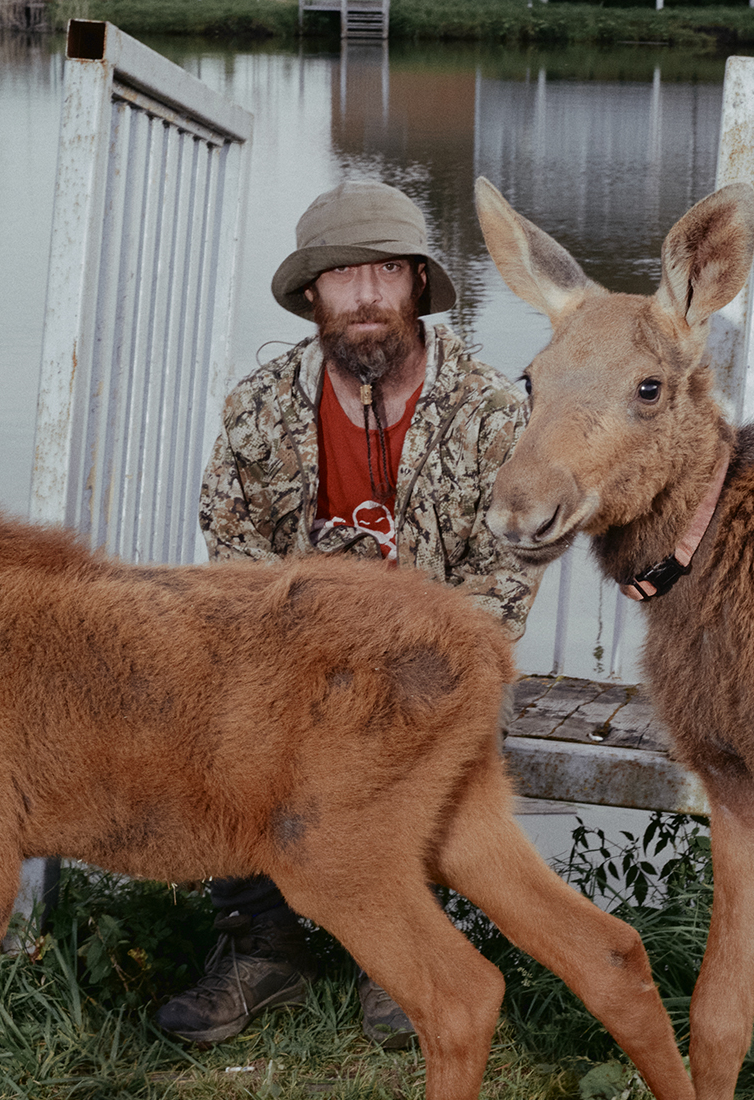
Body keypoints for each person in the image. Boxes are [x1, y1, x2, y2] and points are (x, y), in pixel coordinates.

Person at [157, 180, 537, 1049]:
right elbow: (233, 565)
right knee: (219, 710)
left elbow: (506, 578)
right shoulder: (260, 406)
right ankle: (262, 946)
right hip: (292, 656)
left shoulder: (490, 412)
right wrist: (299, 667)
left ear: (415, 286)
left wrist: (398, 665)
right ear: (312, 296)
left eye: (385, 272)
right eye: (342, 275)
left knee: (423, 719)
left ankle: (395, 950)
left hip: (434, 659)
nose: (365, 294)